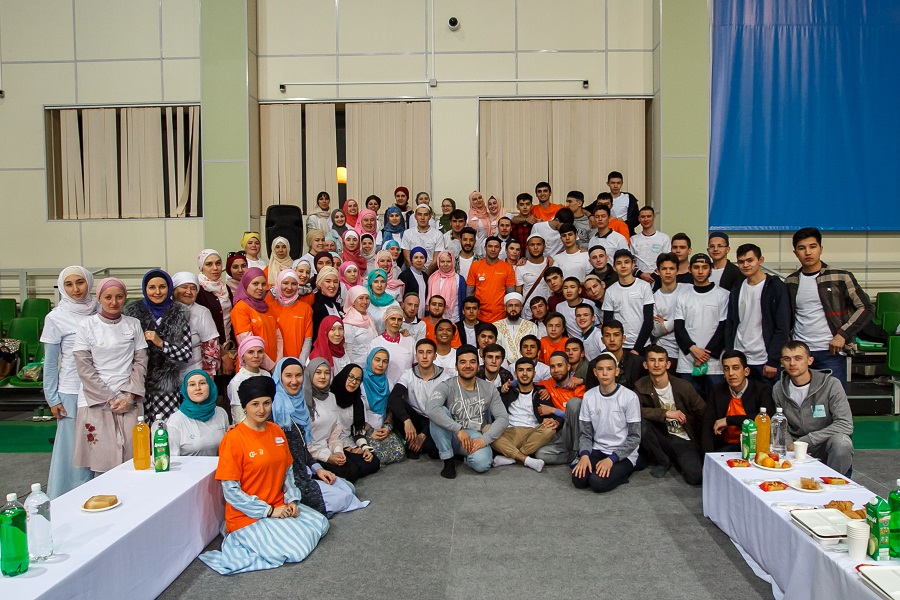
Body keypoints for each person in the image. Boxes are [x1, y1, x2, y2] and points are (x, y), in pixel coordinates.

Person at [198, 376, 329, 575]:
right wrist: (268, 511)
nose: (261, 410)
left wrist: (292, 499)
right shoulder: (233, 440)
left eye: (267, 403)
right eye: (255, 404)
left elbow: (287, 473)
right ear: (245, 406)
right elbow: (231, 491)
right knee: (296, 550)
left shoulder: (276, 431)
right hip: (249, 516)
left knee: (321, 524)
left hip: (279, 505)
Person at [270, 358, 368, 517]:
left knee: (349, 488)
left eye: (298, 375)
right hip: (289, 479)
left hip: (306, 467)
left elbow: (302, 448)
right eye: (288, 376)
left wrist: (318, 469)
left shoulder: (301, 404)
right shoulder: (276, 409)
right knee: (344, 498)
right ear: (279, 378)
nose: (294, 381)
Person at [72, 278, 148, 475]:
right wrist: (110, 398)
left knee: (134, 459)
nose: (114, 302)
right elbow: (84, 367)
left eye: (119, 297)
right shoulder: (86, 326)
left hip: (128, 398)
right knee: (102, 462)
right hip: (96, 400)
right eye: (108, 297)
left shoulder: (133, 324)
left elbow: (140, 362)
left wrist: (129, 396)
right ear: (99, 298)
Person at [784, 227, 874, 387]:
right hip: (800, 353)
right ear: (795, 253)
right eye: (801, 248)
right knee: (801, 399)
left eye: (812, 246)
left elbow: (866, 308)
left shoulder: (840, 277)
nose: (808, 252)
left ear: (821, 248)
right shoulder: (791, 281)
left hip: (831, 351)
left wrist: (843, 335)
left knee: (834, 399)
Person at [42, 266, 98, 498]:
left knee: (97, 447)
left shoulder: (102, 309)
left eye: (80, 282)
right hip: (70, 391)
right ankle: (66, 498)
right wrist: (52, 398)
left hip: (99, 390)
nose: (75, 289)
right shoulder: (55, 317)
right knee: (71, 450)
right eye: (69, 284)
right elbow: (50, 362)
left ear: (89, 283)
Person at [425, 345, 510, 478]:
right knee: (439, 411)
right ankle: (448, 461)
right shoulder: (446, 386)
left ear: (478, 366)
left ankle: (461, 457)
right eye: (463, 362)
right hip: (451, 434)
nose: (468, 366)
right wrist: (458, 429)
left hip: (475, 435)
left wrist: (485, 439)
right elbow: (431, 409)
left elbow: (503, 418)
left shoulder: (489, 388)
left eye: (472, 362)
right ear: (456, 366)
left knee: (483, 464)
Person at [773, 341, 854, 475]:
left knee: (842, 443)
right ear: (782, 362)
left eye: (798, 358)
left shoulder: (831, 384)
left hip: (824, 443)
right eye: (787, 359)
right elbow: (780, 425)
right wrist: (789, 446)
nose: (792, 363)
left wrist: (807, 440)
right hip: (795, 444)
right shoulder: (778, 388)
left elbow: (845, 424)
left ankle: (834, 482)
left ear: (810, 361)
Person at [124, 269, 192, 419]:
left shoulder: (179, 313)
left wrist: (161, 343)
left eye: (162, 287)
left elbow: (186, 354)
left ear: (169, 288)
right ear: (144, 289)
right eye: (152, 287)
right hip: (136, 384)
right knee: (139, 429)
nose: (157, 292)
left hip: (166, 387)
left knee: (164, 429)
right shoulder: (132, 313)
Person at [572, 353, 642, 493]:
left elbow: (634, 437)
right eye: (600, 369)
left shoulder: (630, 397)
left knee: (597, 483)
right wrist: (584, 455)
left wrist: (612, 459)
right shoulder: (589, 396)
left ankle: (626, 471)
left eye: (609, 369)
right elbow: (585, 434)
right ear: (595, 372)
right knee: (579, 479)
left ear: (616, 371)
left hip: (623, 453)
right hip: (598, 449)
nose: (605, 373)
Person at [634, 345, 705, 483]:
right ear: (645, 365)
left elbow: (703, 412)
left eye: (661, 360)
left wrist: (704, 449)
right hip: (661, 436)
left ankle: (675, 458)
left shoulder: (683, 386)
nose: (656, 364)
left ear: (668, 364)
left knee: (695, 477)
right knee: (641, 424)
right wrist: (665, 413)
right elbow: (635, 410)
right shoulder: (640, 385)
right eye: (652, 360)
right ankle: (663, 461)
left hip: (683, 438)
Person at [724, 243, 791, 384]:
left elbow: (783, 326)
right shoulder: (737, 288)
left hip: (764, 361)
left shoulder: (776, 286)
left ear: (760, 260)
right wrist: (730, 353)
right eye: (741, 262)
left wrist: (773, 360)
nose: (745, 265)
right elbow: (731, 323)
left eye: (750, 260)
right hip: (740, 358)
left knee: (767, 398)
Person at [673, 253, 729, 398]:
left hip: (714, 364)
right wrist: (693, 349)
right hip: (688, 361)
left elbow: (724, 328)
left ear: (710, 269)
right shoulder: (683, 296)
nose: (700, 271)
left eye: (704, 267)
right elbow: (679, 328)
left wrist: (704, 355)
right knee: (689, 404)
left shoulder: (723, 295)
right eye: (696, 267)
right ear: (689, 269)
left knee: (716, 402)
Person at [490, 358, 560, 472]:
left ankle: (512, 457)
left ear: (534, 374)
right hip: (511, 432)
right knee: (487, 429)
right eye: (521, 370)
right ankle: (525, 459)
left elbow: (555, 414)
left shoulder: (542, 393)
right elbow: (488, 397)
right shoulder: (506, 390)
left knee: (550, 429)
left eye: (529, 370)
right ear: (515, 374)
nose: (525, 373)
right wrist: (501, 390)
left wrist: (556, 421)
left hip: (534, 433)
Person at [387, 339, 451, 459]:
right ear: (416, 356)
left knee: (433, 450)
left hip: (435, 420)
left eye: (429, 352)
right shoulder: (408, 374)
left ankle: (416, 444)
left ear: (435, 356)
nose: (425, 356)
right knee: (397, 404)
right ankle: (412, 441)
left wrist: (423, 434)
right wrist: (406, 420)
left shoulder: (445, 378)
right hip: (415, 419)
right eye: (421, 352)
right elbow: (393, 398)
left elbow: (444, 411)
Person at [702, 350, 775, 452]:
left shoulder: (762, 390)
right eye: (726, 369)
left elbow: (766, 418)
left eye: (735, 368)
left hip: (754, 446)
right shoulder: (717, 391)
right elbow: (707, 426)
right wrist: (707, 456)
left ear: (746, 371)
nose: (731, 373)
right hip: (724, 447)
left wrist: (728, 420)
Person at [602, 250, 654, 354]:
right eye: (619, 263)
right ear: (614, 267)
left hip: (642, 346)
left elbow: (648, 321)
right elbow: (607, 323)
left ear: (633, 265)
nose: (623, 266)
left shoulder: (644, 286)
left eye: (626, 262)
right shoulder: (610, 291)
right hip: (620, 347)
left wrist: (637, 349)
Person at [167, 370, 229, 457]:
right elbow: (172, 458)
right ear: (185, 390)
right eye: (192, 384)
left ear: (210, 386)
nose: (197, 388)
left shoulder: (221, 413)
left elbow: (227, 449)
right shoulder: (176, 420)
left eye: (202, 383)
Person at [172, 272, 220, 378]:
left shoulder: (202, 312)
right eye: (184, 287)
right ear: (174, 290)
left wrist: (208, 376)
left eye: (193, 288)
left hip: (195, 374)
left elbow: (211, 348)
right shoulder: (165, 310)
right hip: (168, 375)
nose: (189, 292)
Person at [230, 267, 279, 366]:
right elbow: (249, 344)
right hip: (253, 367)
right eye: (255, 284)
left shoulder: (266, 307)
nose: (260, 288)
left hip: (273, 365)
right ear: (246, 284)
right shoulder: (240, 309)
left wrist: (278, 362)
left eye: (263, 284)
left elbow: (278, 336)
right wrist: (271, 367)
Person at [465, 236, 516, 324]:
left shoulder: (507, 268)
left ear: (500, 249)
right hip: (479, 316)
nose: (493, 249)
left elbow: (511, 294)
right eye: (490, 246)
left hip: (500, 316)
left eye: (496, 247)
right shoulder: (475, 266)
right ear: (485, 248)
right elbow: (469, 293)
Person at [584, 320, 645, 391]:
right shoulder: (594, 364)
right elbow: (591, 393)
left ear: (623, 338)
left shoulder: (638, 362)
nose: (612, 339)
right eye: (607, 335)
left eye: (616, 335)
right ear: (602, 340)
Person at [269, 269, 314, 363]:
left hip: (297, 361)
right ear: (279, 283)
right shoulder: (269, 308)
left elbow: (307, 339)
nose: (289, 287)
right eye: (285, 283)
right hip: (274, 363)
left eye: (294, 284)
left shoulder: (306, 309)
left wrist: (300, 363)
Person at [227, 336, 271, 424]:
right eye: (250, 352)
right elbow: (239, 416)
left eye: (260, 352)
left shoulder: (267, 375)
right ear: (243, 356)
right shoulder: (237, 382)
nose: (256, 356)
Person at [368, 305, 415, 386]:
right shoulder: (376, 343)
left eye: (399, 319)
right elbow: (371, 369)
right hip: (384, 388)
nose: (396, 323)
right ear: (386, 320)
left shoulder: (410, 341)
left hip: (407, 388)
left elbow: (415, 366)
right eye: (393, 319)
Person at [196, 249, 234, 347]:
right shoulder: (198, 289)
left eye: (218, 263)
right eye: (209, 264)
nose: (215, 268)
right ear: (201, 267)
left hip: (228, 343)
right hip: (209, 347)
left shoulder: (225, 287)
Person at [651, 252, 684, 365]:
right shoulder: (654, 298)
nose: (668, 272)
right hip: (665, 352)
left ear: (677, 270)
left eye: (672, 268)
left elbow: (695, 317)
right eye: (664, 269)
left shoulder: (688, 290)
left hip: (687, 351)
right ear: (658, 271)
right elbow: (655, 331)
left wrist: (665, 323)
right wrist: (681, 320)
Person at [494, 292, 538, 363]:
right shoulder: (496, 326)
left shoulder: (531, 326)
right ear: (505, 308)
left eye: (516, 305)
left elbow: (537, 349)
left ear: (521, 308)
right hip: (502, 365)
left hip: (526, 365)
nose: (513, 308)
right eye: (510, 305)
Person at [516, 233, 551, 320]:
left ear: (544, 247)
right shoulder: (521, 267)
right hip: (527, 312)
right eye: (532, 245)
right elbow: (518, 293)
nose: (535, 248)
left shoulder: (551, 264)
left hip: (548, 310)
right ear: (527, 247)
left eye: (538, 244)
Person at [342, 285, 378, 366]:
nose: (365, 302)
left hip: (371, 364)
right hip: (357, 366)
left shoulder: (369, 318)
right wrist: (352, 368)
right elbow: (347, 350)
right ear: (353, 301)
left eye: (367, 298)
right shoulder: (348, 323)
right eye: (361, 298)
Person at [630, 206, 671, 278]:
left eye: (649, 216)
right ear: (639, 219)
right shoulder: (633, 239)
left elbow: (667, 259)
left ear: (654, 217)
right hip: (639, 279)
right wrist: (641, 274)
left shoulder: (664, 238)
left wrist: (654, 275)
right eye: (643, 217)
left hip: (659, 279)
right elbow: (630, 261)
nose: (646, 219)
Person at [401, 204, 445, 272]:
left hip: (431, 274)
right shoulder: (407, 233)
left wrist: (425, 276)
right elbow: (407, 259)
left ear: (430, 217)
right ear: (415, 216)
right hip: (412, 273)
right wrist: (415, 275)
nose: (422, 218)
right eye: (419, 214)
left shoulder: (438, 235)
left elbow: (435, 260)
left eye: (425, 215)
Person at [427, 250, 465, 323]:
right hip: (434, 319)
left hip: (453, 319)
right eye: (442, 261)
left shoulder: (459, 279)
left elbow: (462, 301)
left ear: (453, 262)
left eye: (448, 261)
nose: (445, 264)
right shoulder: (432, 278)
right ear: (438, 262)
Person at [310, 266, 343, 339]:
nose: (332, 285)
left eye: (335, 282)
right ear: (320, 283)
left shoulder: (337, 305)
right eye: (328, 281)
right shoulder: (315, 308)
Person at [398, 247, 429, 313]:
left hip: (422, 312)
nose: (419, 260)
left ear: (425, 260)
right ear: (411, 260)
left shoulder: (425, 276)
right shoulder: (404, 276)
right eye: (416, 257)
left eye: (422, 258)